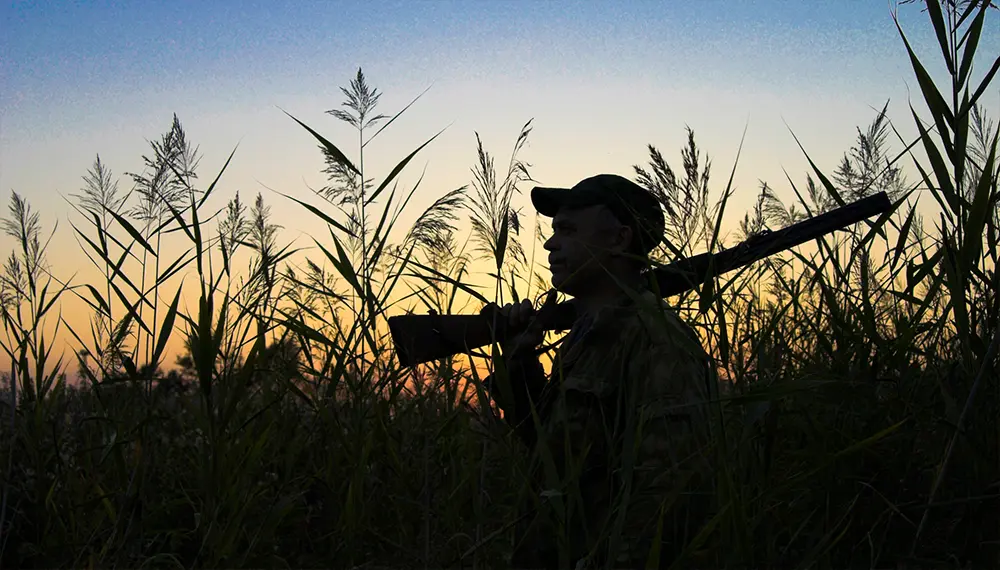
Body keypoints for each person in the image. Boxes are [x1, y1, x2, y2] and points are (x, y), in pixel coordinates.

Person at [481, 174, 720, 568]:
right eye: (554, 230)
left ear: (619, 239)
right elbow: (551, 448)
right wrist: (518, 363)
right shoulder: (588, 334)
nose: (550, 243)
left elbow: (668, 495)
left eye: (569, 230)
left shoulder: (653, 338)